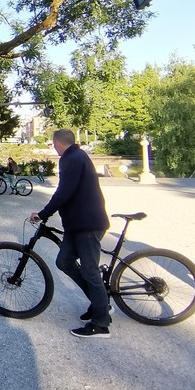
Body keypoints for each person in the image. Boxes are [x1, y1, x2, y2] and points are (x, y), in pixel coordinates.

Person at [29, 129, 112, 339]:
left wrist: (43, 214)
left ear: (57, 142)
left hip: (88, 224)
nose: (53, 147)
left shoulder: (72, 158)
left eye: (53, 143)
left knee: (90, 270)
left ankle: (101, 324)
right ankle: (99, 302)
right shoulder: (75, 156)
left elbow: (64, 192)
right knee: (64, 261)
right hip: (78, 224)